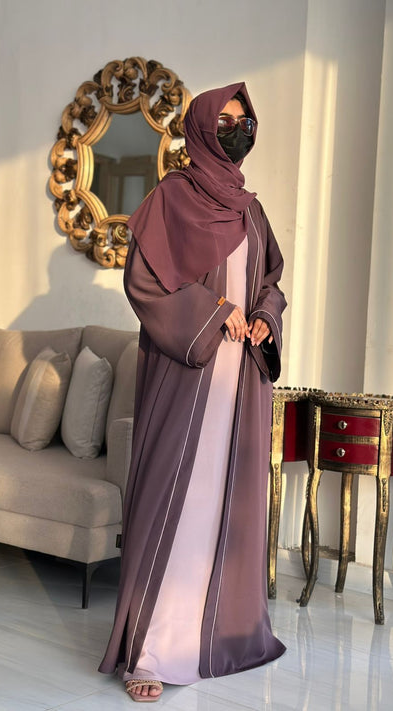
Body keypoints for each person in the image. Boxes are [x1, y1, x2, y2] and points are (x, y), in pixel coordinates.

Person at [98, 82, 287, 703]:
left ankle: (220, 637)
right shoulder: (170, 197)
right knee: (173, 503)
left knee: (223, 505)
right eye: (224, 121)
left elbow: (272, 281)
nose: (236, 131)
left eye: (244, 122)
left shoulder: (251, 210)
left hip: (241, 383)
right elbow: (145, 282)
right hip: (188, 374)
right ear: (202, 127)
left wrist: (263, 318)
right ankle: (150, 653)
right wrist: (214, 311)